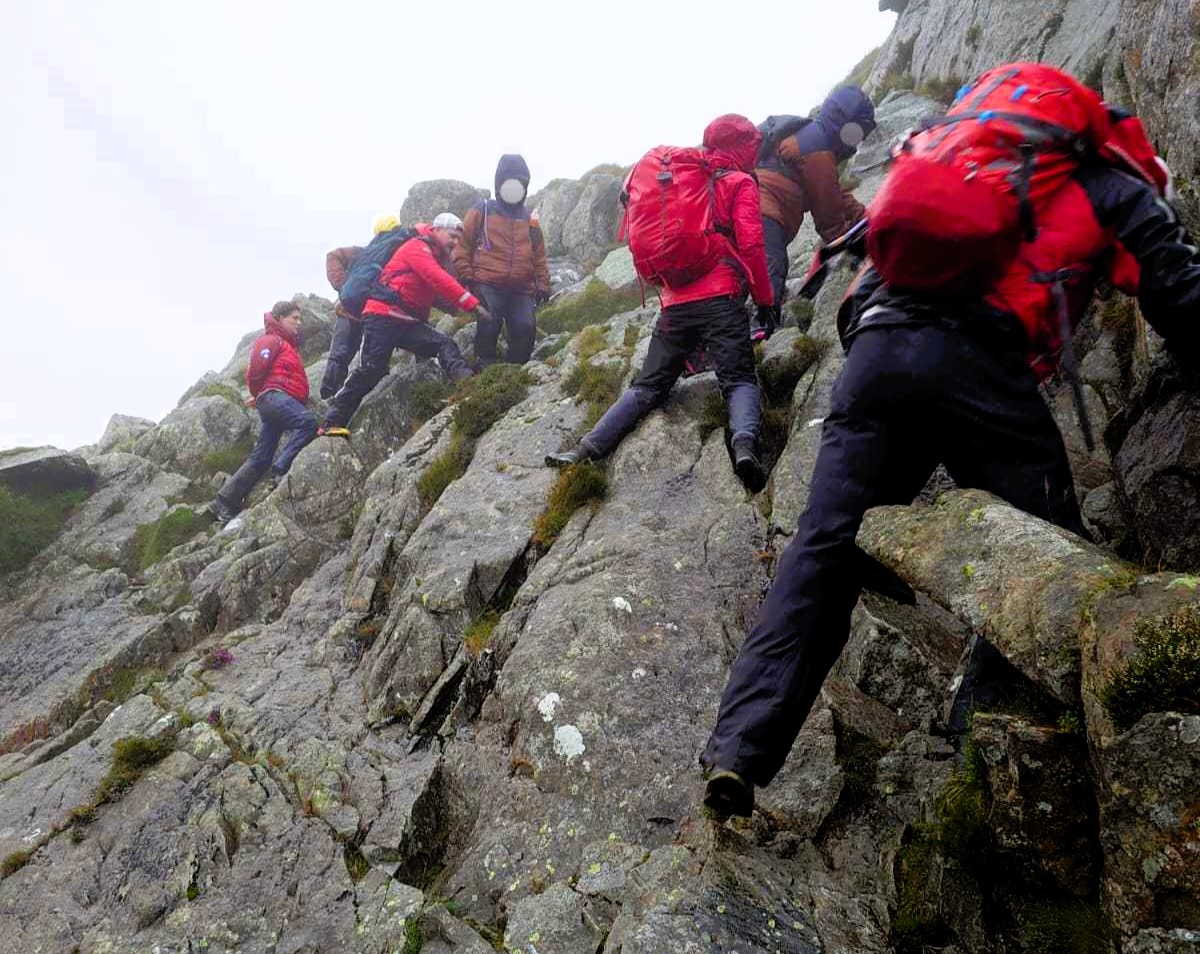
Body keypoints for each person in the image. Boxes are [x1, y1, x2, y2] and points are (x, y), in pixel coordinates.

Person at [700, 68, 1200, 820]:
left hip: (875, 355)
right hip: (982, 364)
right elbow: (1176, 292)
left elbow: (863, 276)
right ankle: (995, 768)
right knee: (1044, 561)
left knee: (822, 550)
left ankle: (738, 751)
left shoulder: (951, 156)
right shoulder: (1098, 181)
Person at [545, 115, 776, 491]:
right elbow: (751, 245)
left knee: (647, 386)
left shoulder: (688, 181)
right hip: (721, 298)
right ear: (745, 148)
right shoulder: (739, 182)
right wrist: (765, 299)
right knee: (738, 380)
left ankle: (585, 449)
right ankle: (746, 447)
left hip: (674, 305)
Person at [318, 213, 488, 437]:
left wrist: (460, 308)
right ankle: (331, 422)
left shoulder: (433, 254)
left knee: (443, 344)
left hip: (402, 319)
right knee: (372, 370)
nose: (455, 242)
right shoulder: (416, 247)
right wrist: (472, 305)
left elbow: (431, 294)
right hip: (382, 317)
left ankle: (468, 385)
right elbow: (437, 278)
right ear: (436, 229)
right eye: (452, 235)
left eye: (458, 239)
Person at [752, 87, 876, 338]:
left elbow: (833, 193)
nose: (858, 140)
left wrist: (866, 217)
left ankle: (713, 339)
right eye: (858, 132)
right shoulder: (818, 148)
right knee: (771, 268)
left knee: (745, 274)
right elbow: (827, 212)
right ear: (846, 125)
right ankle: (761, 333)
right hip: (763, 212)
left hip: (755, 209)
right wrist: (853, 245)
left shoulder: (812, 138)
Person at [212, 301, 318, 523]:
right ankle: (281, 469)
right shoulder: (271, 340)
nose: (299, 323)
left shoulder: (286, 345)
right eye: (294, 318)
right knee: (307, 423)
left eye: (300, 319)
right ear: (279, 318)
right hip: (274, 398)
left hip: (277, 400)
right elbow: (256, 370)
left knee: (261, 456)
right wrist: (259, 393)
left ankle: (224, 502)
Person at [452, 154, 551, 367]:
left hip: (522, 288)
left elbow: (539, 256)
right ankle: (484, 366)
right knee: (488, 322)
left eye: (520, 182)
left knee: (525, 326)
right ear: (499, 184)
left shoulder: (529, 219)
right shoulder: (483, 209)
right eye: (510, 181)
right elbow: (464, 245)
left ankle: (515, 369)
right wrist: (468, 276)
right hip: (488, 282)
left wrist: (542, 284)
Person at [319, 212, 400, 399]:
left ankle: (331, 395)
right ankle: (336, 394)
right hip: (364, 311)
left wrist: (344, 286)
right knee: (355, 354)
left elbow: (333, 256)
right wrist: (344, 285)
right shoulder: (375, 253)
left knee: (342, 354)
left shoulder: (367, 253)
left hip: (358, 311)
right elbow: (333, 256)